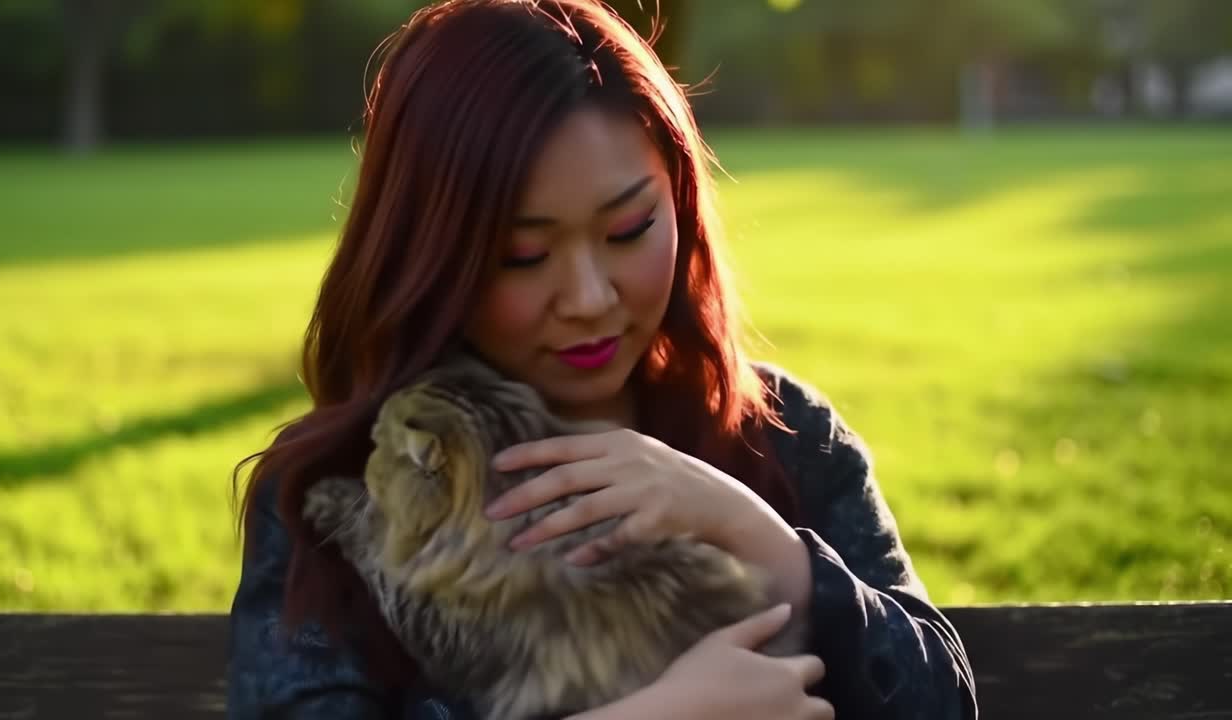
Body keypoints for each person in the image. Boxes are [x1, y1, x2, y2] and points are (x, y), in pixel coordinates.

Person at [226, 0, 978, 718]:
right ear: (430, 255)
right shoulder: (339, 494)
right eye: (523, 255)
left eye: (628, 230)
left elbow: (944, 704)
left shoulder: (785, 439)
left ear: (680, 202)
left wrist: (770, 547)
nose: (588, 297)